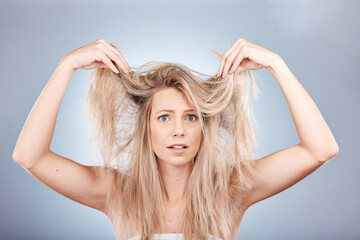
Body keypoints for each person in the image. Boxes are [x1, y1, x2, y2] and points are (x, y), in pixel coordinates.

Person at [13, 38, 339, 240]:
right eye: (165, 117)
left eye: (191, 117)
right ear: (148, 128)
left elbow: (320, 149)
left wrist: (276, 64)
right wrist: (65, 66)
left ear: (203, 128)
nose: (178, 130)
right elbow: (30, 157)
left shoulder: (231, 189)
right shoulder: (117, 191)